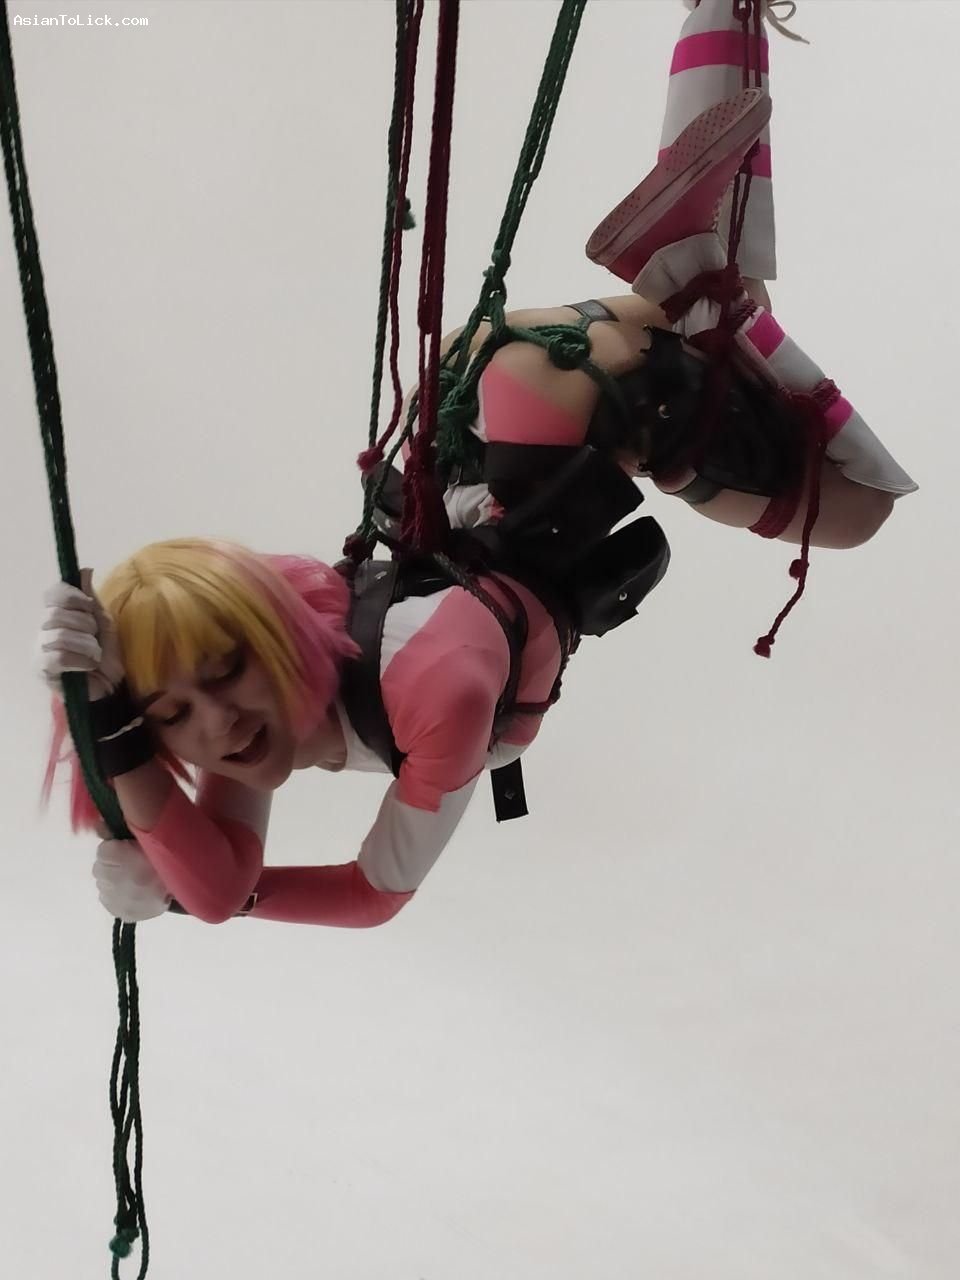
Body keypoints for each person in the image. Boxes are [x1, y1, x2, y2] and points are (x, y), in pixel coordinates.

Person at [36, 0, 916, 928]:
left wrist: (155, 837)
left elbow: (364, 896)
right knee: (704, 320)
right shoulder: (261, 707)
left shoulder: (433, 693)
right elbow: (217, 883)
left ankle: (701, 283)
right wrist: (118, 743)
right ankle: (713, 99)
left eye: (223, 672)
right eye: (170, 717)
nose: (215, 726)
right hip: (483, 424)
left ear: (271, 638)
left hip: (539, 448)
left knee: (854, 505)